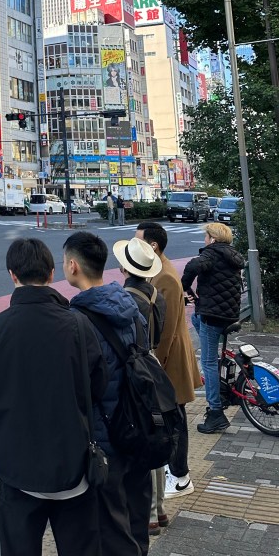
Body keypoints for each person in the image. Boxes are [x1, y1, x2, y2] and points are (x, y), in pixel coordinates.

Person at [0, 237, 107, 556]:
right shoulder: (79, 325)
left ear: (12, 275)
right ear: (51, 273)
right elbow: (99, 386)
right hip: (74, 468)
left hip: (18, 470)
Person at [64, 231, 147, 556]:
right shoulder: (131, 308)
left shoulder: (76, 321)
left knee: (111, 530)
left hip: (105, 438)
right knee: (136, 520)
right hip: (140, 429)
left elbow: (79, 386)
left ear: (73, 266)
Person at [135, 221, 200, 502]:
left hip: (170, 359)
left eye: (138, 240)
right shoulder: (157, 270)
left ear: (153, 245)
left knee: (175, 419)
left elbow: (168, 329)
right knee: (173, 417)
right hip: (167, 359)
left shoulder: (166, 277)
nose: (133, 245)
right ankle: (176, 470)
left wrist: (154, 366)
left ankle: (181, 476)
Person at [114, 236, 167, 547]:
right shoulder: (157, 295)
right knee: (155, 435)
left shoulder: (127, 299)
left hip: (136, 370)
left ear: (124, 268)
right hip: (153, 363)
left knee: (141, 439)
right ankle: (159, 508)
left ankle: (149, 514)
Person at [182, 221, 245, 433]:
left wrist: (184, 286)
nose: (205, 240)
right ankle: (221, 385)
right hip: (229, 314)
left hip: (213, 316)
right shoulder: (232, 255)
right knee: (195, 319)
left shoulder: (211, 253)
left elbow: (192, 266)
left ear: (213, 239)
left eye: (206, 236)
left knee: (208, 363)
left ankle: (215, 412)